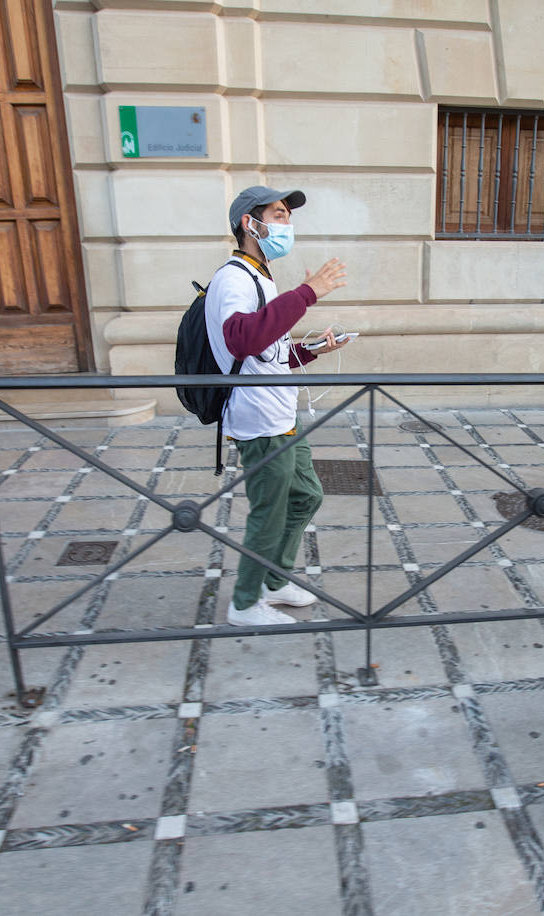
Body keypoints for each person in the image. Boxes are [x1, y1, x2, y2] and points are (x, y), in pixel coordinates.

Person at [206, 186, 350, 627]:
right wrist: (307, 292)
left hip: (281, 416)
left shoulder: (260, 277)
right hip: (259, 422)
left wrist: (310, 351)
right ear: (251, 224)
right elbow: (241, 338)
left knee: (307, 495)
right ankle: (245, 604)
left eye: (287, 216)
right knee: (268, 515)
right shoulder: (233, 278)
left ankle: (273, 579)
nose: (287, 225)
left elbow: (266, 352)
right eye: (280, 215)